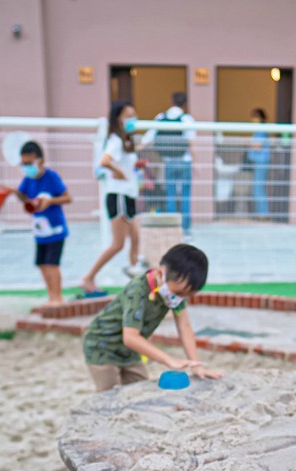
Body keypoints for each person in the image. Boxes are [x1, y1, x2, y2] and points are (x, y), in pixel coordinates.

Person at [82, 243, 222, 391]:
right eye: (179, 293)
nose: (180, 298)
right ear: (161, 273)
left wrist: (197, 366)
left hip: (129, 352)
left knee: (140, 390)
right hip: (102, 347)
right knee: (110, 394)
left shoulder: (176, 294)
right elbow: (130, 337)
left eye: (186, 295)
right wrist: (169, 360)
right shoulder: (137, 291)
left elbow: (184, 327)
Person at [81, 101, 144, 294]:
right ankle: (88, 277)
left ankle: (136, 278)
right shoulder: (116, 140)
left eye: (134, 115)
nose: (133, 120)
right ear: (118, 119)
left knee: (136, 237)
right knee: (118, 244)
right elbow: (104, 161)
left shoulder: (125, 141)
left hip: (128, 195)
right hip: (119, 196)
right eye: (128, 116)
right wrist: (118, 172)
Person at [1, 141, 71, 306]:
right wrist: (14, 192)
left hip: (55, 229)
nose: (26, 167)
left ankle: (58, 297)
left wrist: (50, 201)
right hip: (40, 231)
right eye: (23, 164)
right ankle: (51, 296)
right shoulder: (28, 179)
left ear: (40, 161)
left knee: (52, 264)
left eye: (29, 163)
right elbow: (24, 197)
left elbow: (67, 197)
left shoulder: (51, 177)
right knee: (42, 264)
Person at [141, 92, 196, 239]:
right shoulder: (186, 119)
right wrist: (196, 163)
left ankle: (172, 229)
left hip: (168, 162)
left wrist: (137, 148)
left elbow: (149, 136)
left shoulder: (161, 117)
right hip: (184, 161)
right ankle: (185, 230)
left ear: (171, 100)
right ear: (185, 103)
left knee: (170, 195)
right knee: (185, 196)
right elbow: (191, 143)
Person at [245, 108, 271, 218]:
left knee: (258, 188)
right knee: (257, 187)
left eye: (256, 116)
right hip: (258, 162)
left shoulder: (261, 130)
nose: (254, 118)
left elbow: (257, 145)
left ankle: (263, 214)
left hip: (261, 162)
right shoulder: (258, 130)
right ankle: (261, 213)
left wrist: (245, 143)